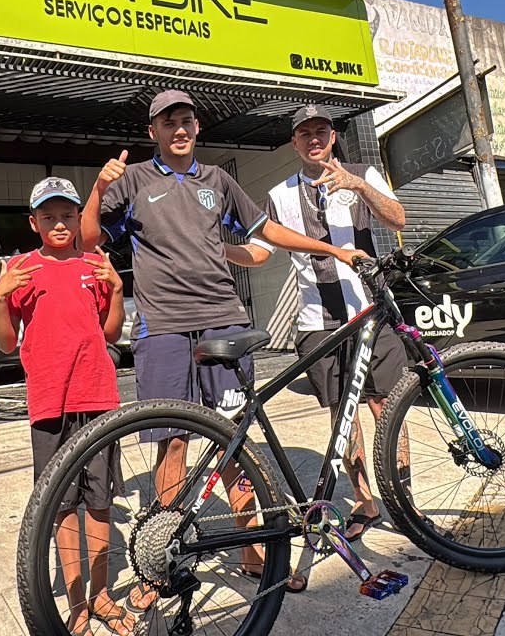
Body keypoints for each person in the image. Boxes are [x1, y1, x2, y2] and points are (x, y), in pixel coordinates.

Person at [79, 90, 368, 604]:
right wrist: (98, 192)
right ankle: (164, 555)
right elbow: (86, 239)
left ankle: (252, 551)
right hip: (164, 327)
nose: (180, 129)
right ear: (154, 132)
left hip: (224, 321)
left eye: (188, 120)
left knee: (234, 435)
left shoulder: (218, 180)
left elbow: (267, 231)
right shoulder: (135, 181)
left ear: (197, 127)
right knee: (173, 442)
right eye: (169, 122)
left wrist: (331, 249)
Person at [225, 104, 409, 542]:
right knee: (342, 414)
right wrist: (216, 249)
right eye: (304, 132)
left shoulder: (363, 172)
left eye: (321, 131)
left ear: (333, 136)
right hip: (317, 323)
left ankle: (403, 500)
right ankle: (366, 503)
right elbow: (260, 252)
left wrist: (358, 186)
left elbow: (398, 218)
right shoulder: (280, 194)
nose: (313, 139)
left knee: (390, 408)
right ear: (294, 142)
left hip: (371, 312)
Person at [0, 177, 133, 636]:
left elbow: (112, 334)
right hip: (49, 403)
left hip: (98, 397)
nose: (59, 223)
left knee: (99, 502)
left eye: (68, 215)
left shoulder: (95, 264)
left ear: (78, 219)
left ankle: (102, 595)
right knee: (60, 506)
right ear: (33, 222)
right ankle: (76, 604)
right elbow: (8, 343)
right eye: (48, 216)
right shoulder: (21, 270)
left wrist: (115, 292)